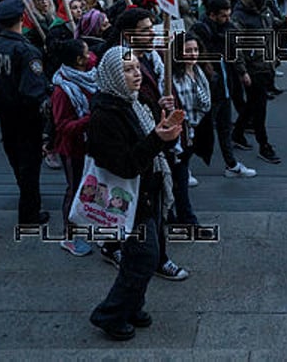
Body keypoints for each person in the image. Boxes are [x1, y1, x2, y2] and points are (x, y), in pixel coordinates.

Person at [87, 46, 184, 341]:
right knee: (144, 258)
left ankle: (131, 306)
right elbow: (125, 165)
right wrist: (157, 138)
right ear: (115, 74)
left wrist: (164, 129)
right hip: (127, 198)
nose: (137, 75)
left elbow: (152, 141)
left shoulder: (135, 101)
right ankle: (110, 314)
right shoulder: (105, 114)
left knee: (138, 257)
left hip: (147, 192)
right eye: (128, 70)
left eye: (137, 68)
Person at [0, 0, 51, 226]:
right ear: (22, 19)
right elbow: (33, 91)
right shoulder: (26, 50)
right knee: (30, 167)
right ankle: (30, 214)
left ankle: (29, 203)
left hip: (5, 115)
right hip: (26, 118)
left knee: (17, 162)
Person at [189, 0, 257, 178]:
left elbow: (234, 53)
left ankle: (232, 165)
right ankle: (183, 167)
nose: (228, 19)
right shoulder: (200, 32)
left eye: (228, 15)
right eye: (224, 16)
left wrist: (242, 72)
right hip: (209, 89)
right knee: (197, 130)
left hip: (225, 87)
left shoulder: (228, 30)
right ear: (212, 15)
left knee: (225, 128)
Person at [231, 0, 287, 163]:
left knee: (252, 104)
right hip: (253, 69)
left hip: (267, 65)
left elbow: (274, 24)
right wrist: (243, 71)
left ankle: (237, 133)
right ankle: (264, 145)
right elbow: (236, 47)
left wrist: (285, 22)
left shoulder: (264, 10)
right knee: (259, 108)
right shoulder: (239, 17)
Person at [52, 38, 97, 257]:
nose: (91, 56)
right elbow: (63, 126)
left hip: (91, 146)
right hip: (73, 149)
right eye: (87, 53)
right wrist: (90, 119)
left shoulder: (89, 74)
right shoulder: (63, 90)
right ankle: (69, 236)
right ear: (78, 60)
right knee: (75, 189)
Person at [169, 33, 213, 223]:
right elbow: (181, 106)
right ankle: (187, 218)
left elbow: (206, 103)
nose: (192, 54)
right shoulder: (173, 77)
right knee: (179, 177)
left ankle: (173, 213)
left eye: (195, 50)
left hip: (193, 131)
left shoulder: (199, 72)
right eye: (188, 50)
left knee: (179, 176)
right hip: (178, 133)